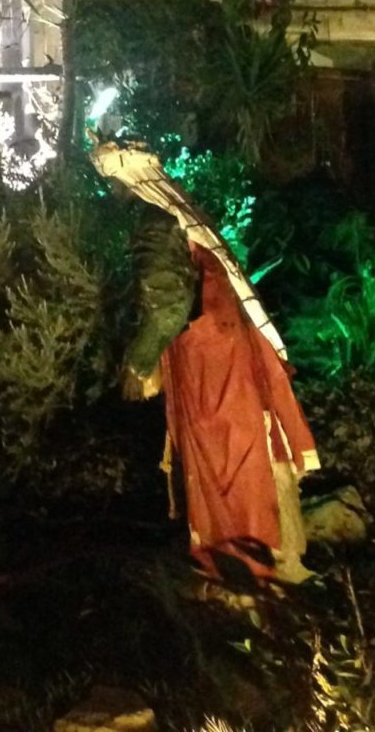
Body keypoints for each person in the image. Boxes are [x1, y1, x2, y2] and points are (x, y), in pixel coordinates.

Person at [94, 139, 318, 585]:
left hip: (211, 359)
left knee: (227, 456)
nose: (111, 194)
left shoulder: (155, 221)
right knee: (252, 440)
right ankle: (275, 554)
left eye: (112, 185)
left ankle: (242, 559)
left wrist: (138, 363)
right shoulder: (180, 212)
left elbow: (167, 306)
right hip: (229, 345)